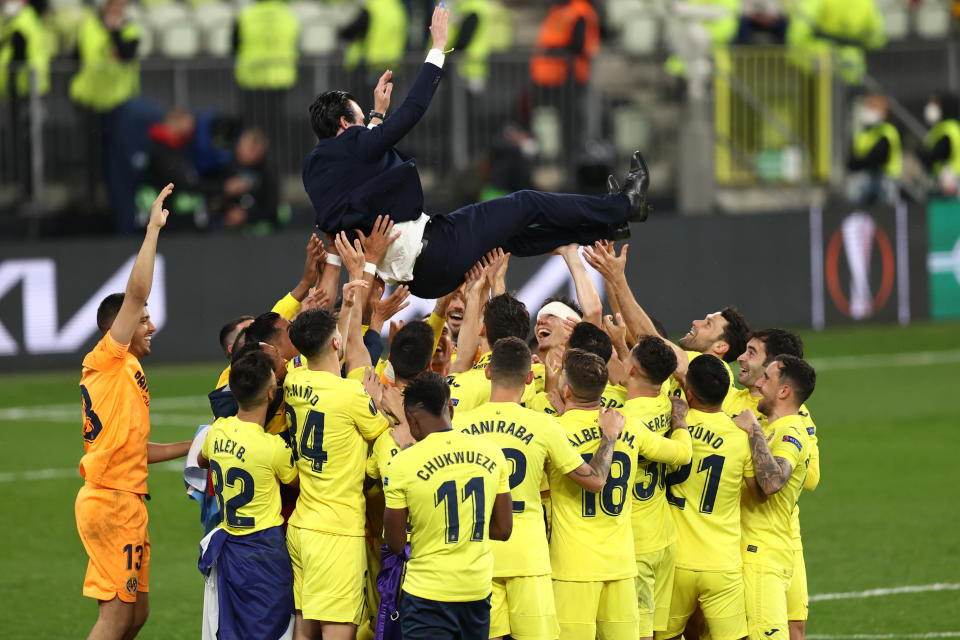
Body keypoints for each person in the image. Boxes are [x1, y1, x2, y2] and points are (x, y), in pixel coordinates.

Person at [302, 5, 652, 300]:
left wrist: (376, 115)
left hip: (420, 278)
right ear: (345, 127)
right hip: (434, 250)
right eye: (360, 121)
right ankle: (623, 204)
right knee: (526, 202)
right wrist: (437, 48)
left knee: (510, 236)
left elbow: (361, 162)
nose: (366, 127)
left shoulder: (317, 171)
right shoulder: (352, 145)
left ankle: (605, 229)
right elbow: (410, 113)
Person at [75, 184, 192, 640]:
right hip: (109, 501)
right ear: (118, 327)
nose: (151, 324)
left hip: (127, 497)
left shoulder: (131, 374)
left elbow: (135, 449)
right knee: (116, 617)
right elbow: (137, 293)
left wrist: (193, 445)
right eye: (143, 319)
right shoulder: (107, 359)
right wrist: (152, 232)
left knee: (136, 615)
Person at [452, 337, 625, 640]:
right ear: (530, 377)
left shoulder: (458, 424)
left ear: (488, 372)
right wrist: (608, 437)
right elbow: (596, 481)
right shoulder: (545, 426)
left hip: (477, 555)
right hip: (528, 557)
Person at [548, 348, 692, 640]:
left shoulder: (553, 431)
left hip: (573, 568)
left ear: (566, 390)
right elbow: (682, 453)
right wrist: (679, 420)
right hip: (621, 565)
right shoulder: (630, 426)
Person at [283, 307, 391, 640]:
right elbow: (386, 430)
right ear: (334, 341)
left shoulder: (293, 381)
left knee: (304, 631)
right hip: (337, 533)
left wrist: (351, 300)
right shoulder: (351, 396)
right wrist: (377, 400)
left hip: (302, 527)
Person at [382, 371, 513, 640]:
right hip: (476, 592)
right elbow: (503, 530)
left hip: (427, 595)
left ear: (412, 421)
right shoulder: (491, 452)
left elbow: (394, 543)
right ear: (450, 409)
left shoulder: (403, 464)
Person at [197, 349, 299, 640]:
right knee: (273, 630)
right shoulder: (272, 448)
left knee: (234, 631)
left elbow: (203, 460)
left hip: (230, 551)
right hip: (265, 553)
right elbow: (300, 484)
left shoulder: (217, 432)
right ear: (271, 394)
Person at [659, 355, 752, 640]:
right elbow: (760, 492)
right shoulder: (741, 437)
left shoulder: (670, 424)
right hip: (722, 563)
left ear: (689, 392)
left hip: (675, 562)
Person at [732, 355, 815, 640]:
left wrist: (752, 429)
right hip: (768, 552)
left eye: (766, 378)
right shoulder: (774, 426)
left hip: (761, 556)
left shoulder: (790, 429)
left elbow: (773, 482)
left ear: (784, 391)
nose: (758, 382)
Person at [620, 336, 681, 640]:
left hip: (637, 542)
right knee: (661, 632)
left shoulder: (624, 422)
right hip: (665, 537)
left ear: (632, 370)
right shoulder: (666, 400)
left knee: (640, 633)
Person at [232, 0, 298, 153]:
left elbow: (234, 44)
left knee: (252, 127)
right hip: (280, 78)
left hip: (251, 79)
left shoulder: (246, 15)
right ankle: (276, 164)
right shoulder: (288, 15)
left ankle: (253, 166)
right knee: (276, 126)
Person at [212, 128, 280, 232]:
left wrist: (246, 216)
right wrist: (225, 189)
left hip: (259, 228)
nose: (239, 150)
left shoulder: (267, 172)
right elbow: (214, 196)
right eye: (240, 146)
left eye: (246, 148)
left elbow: (271, 206)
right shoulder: (229, 167)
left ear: (259, 151)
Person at [846, 93, 902, 206]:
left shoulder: (887, 131)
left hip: (885, 181)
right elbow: (851, 162)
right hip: (865, 182)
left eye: (871, 107)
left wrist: (863, 161)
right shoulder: (863, 134)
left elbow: (879, 156)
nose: (866, 110)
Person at [921, 93, 960, 197]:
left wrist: (923, 156)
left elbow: (941, 152)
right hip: (941, 176)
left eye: (935, 104)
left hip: (949, 179)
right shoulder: (939, 127)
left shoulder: (949, 127)